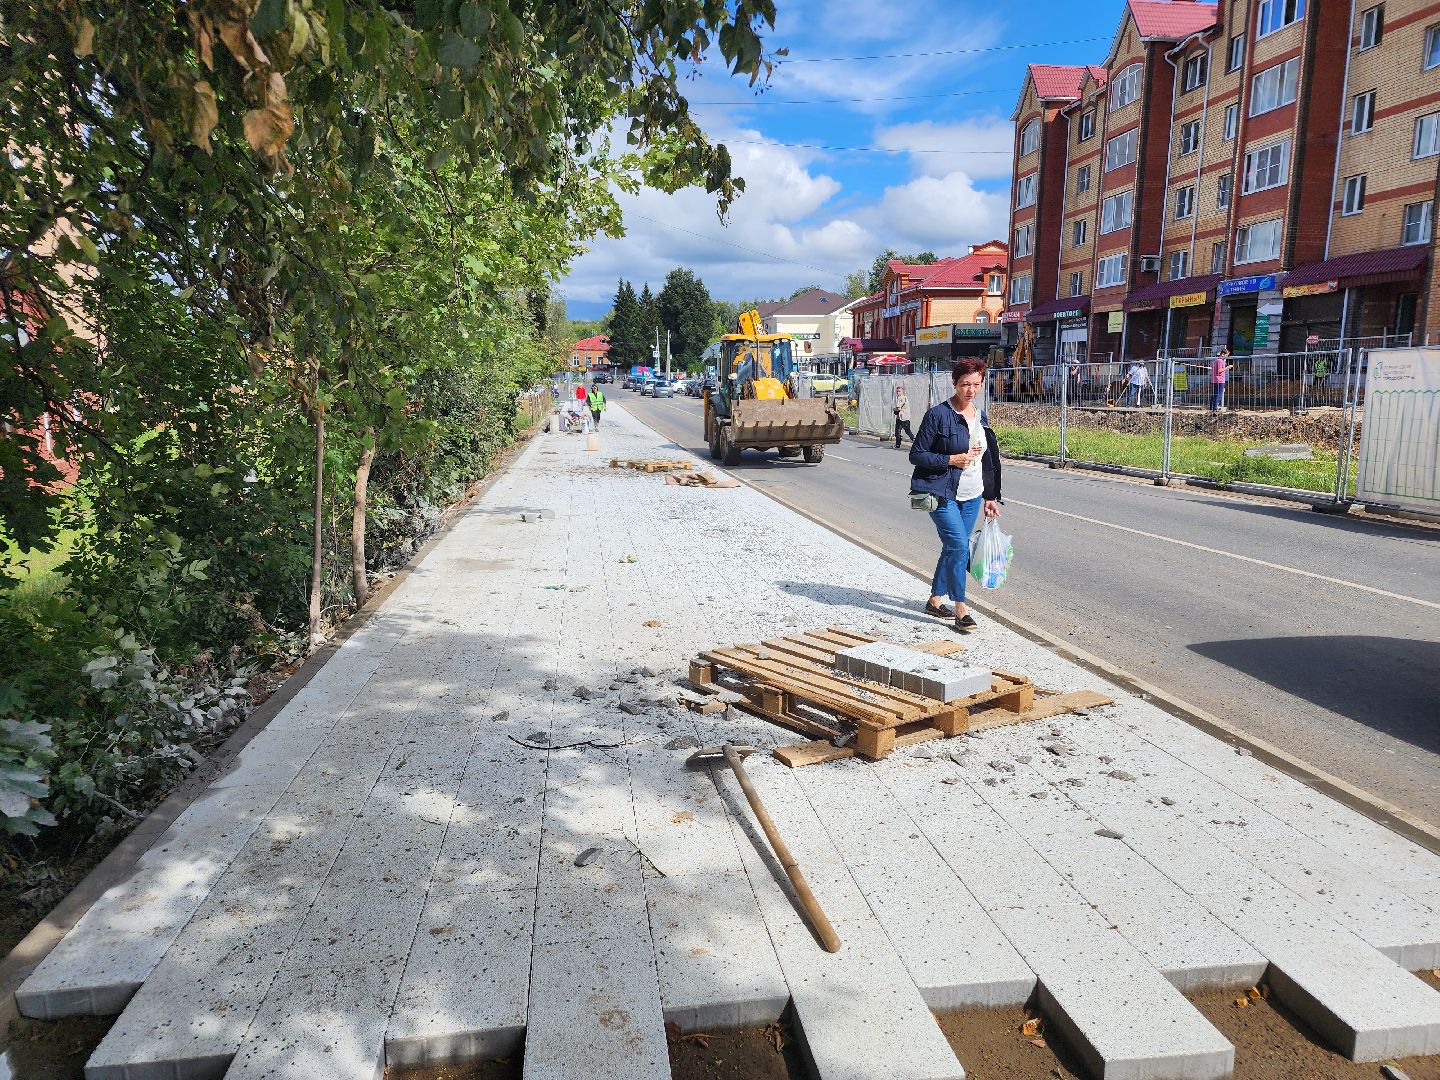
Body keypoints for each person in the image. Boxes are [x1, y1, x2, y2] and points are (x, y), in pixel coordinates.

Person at [909, 359, 1003, 634]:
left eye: (976, 384)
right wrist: (952, 459)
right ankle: (961, 606)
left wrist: (990, 496)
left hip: (972, 496)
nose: (971, 390)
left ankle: (935, 600)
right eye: (965, 384)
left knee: (953, 547)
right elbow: (917, 454)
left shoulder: (980, 416)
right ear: (954, 384)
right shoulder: (938, 415)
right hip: (941, 493)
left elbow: (988, 461)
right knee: (960, 547)